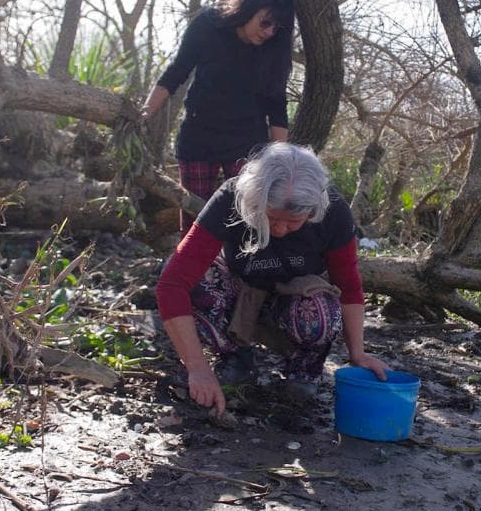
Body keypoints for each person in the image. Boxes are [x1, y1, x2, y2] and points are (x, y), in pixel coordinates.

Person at [155, 142, 389, 415]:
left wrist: (357, 353)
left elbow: (348, 286)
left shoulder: (334, 212)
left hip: (295, 300)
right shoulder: (231, 197)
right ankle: (235, 357)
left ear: (312, 211)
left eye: (293, 222)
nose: (279, 229)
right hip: (241, 292)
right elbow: (172, 283)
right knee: (193, 282)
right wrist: (197, 368)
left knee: (321, 313)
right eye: (271, 218)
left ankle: (304, 370)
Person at [140, 0, 295, 232]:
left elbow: (277, 107)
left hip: (247, 146)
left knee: (246, 224)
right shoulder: (208, 24)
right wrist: (142, 117)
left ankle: (238, 260)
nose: (269, 32)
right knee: (195, 224)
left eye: (276, 28)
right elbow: (176, 73)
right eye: (265, 22)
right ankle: (195, 261)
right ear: (250, 7)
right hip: (198, 139)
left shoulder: (273, 50)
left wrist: (279, 163)